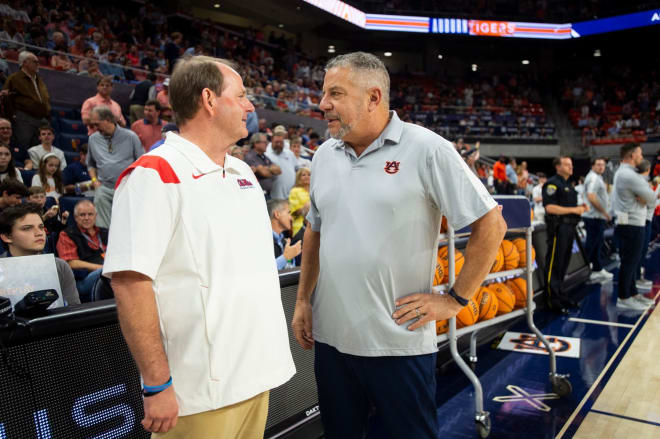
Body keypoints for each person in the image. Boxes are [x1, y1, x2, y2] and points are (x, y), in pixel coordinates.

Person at [291, 52, 505, 438]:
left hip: (398, 345)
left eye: (335, 94)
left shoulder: (427, 149)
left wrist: (456, 299)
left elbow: (491, 222)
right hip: (331, 342)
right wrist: (304, 299)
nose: (322, 104)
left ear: (373, 98)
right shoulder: (324, 155)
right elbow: (314, 230)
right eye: (324, 94)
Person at [103, 55, 295, 437]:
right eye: (240, 96)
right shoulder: (154, 174)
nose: (250, 106)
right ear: (209, 100)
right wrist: (156, 383)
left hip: (256, 376)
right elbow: (129, 283)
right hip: (201, 391)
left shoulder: (241, 171)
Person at [0, 203, 80, 305]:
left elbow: (73, 312)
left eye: (41, 227)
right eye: (27, 228)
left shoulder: (60, 266)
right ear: (7, 237)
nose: (39, 233)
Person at [612, 143, 657, 310]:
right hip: (631, 223)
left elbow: (648, 196)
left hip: (631, 222)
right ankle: (624, 297)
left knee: (632, 261)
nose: (642, 157)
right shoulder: (627, 174)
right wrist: (647, 196)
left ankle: (633, 293)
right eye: (640, 154)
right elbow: (652, 197)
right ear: (631, 156)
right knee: (629, 262)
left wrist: (646, 196)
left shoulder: (628, 173)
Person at [543, 156, 588, 313]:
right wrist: (574, 210)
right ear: (558, 167)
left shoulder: (569, 184)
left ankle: (560, 295)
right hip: (558, 228)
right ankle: (552, 300)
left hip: (570, 227)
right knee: (555, 263)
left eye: (571, 165)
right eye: (567, 165)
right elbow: (550, 208)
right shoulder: (552, 184)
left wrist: (579, 209)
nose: (571, 167)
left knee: (563, 263)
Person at [87, 106, 143, 228]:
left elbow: (142, 162)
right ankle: (105, 243)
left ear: (108, 119)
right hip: (104, 187)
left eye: (97, 124)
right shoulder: (93, 139)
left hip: (127, 187)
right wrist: (94, 181)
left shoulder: (131, 136)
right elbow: (90, 164)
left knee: (128, 224)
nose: (95, 128)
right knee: (99, 199)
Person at [56, 200, 106, 302]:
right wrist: (102, 268)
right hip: (83, 279)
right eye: (82, 215)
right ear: (75, 218)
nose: (87, 218)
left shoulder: (105, 232)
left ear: (95, 216)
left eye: (90, 214)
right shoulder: (67, 234)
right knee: (106, 272)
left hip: (107, 272)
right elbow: (70, 263)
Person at [1, 51, 51, 152]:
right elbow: (5, 97)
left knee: (40, 149)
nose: (38, 64)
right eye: (35, 61)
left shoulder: (39, 79)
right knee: (23, 145)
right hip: (24, 118)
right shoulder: (14, 78)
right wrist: (13, 116)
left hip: (42, 119)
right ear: (25, 63)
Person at [582, 157, 613, 282]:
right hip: (593, 216)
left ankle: (597, 268)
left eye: (603, 165)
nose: (601, 167)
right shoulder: (593, 178)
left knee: (598, 243)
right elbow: (591, 197)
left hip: (597, 217)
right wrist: (604, 212)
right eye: (598, 164)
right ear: (592, 166)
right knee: (592, 244)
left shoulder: (597, 177)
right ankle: (588, 270)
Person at [634, 160, 654, 291]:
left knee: (642, 250)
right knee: (638, 251)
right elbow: (642, 199)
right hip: (641, 219)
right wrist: (654, 198)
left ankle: (637, 276)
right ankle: (635, 278)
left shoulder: (642, 182)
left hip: (645, 218)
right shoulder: (639, 182)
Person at [268, 199, 302, 270]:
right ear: (277, 214)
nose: (292, 218)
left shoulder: (284, 241)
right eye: (289, 212)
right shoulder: (263, 240)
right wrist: (285, 257)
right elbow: (263, 271)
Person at [244, 132, 281, 198]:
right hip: (257, 195)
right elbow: (264, 173)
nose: (267, 144)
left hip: (268, 194)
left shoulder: (264, 156)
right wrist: (270, 170)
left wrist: (264, 168)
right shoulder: (250, 156)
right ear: (256, 143)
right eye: (264, 142)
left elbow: (278, 170)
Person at [266, 132, 297, 199]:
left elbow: (297, 168)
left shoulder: (289, 153)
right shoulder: (266, 154)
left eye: (281, 142)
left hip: (292, 194)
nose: (279, 144)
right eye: (276, 142)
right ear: (271, 141)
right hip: (275, 195)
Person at [289, 168, 310, 236]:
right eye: (303, 175)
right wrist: (307, 208)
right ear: (298, 178)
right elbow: (293, 212)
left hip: (314, 226)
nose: (307, 176)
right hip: (300, 226)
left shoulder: (315, 191)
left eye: (309, 174)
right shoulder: (295, 191)